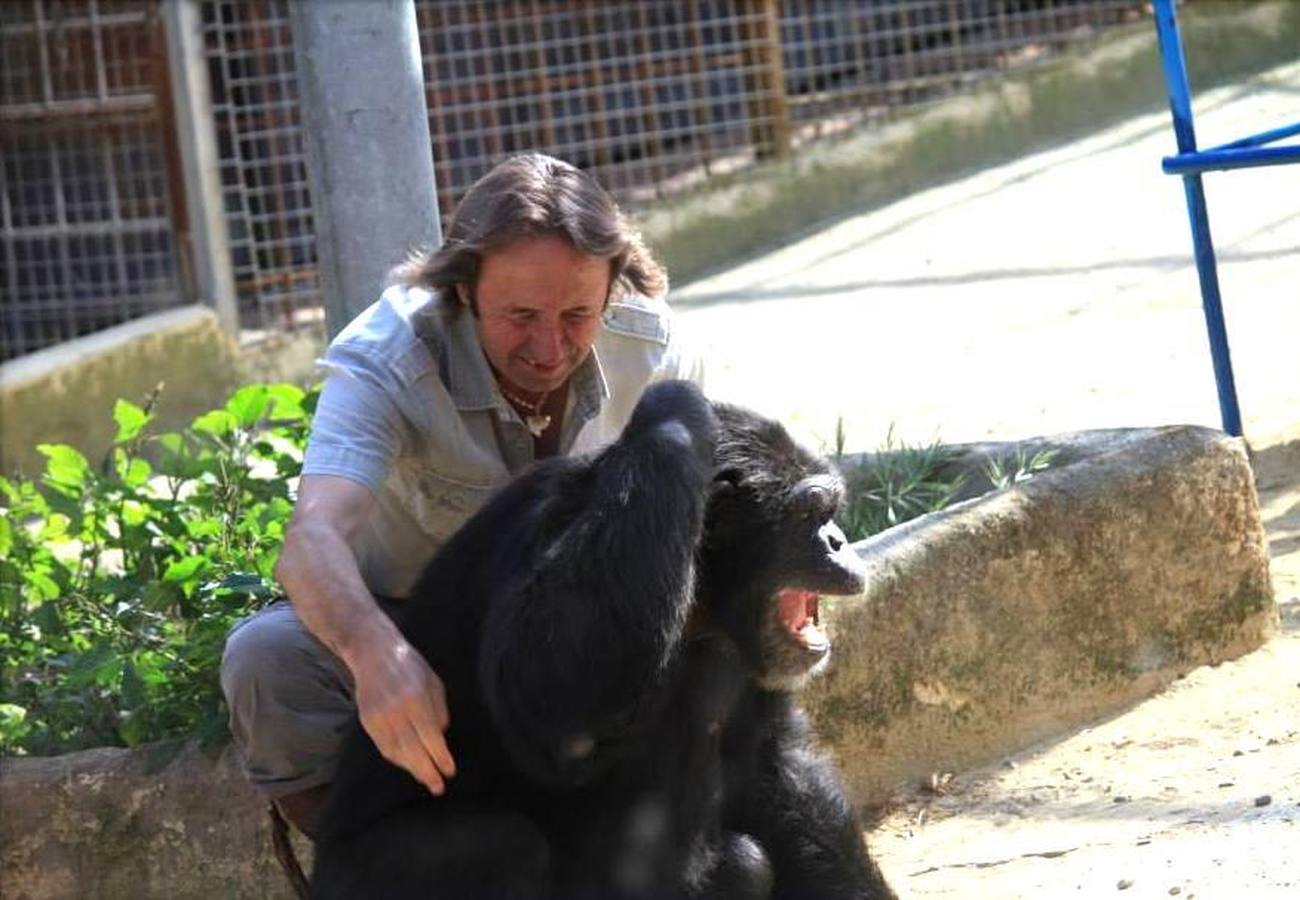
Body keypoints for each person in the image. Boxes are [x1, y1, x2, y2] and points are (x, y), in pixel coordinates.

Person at [219, 153, 705, 837]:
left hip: (582, 628)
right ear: (463, 290)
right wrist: (375, 655)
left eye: (577, 314)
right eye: (520, 315)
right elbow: (311, 542)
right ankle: (380, 869)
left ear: (613, 288)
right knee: (265, 662)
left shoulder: (655, 346)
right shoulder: (385, 358)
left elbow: (713, 502)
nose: (548, 347)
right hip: (421, 630)